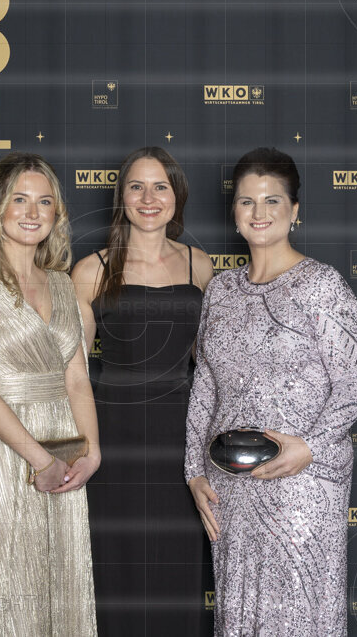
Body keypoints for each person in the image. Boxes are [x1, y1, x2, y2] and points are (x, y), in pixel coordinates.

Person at [184, 147, 357, 636]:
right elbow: (205, 385)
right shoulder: (220, 290)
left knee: (297, 612)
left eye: (272, 200)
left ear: (295, 210)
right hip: (228, 485)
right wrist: (193, 471)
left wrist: (310, 447)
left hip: (301, 481)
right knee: (239, 609)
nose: (259, 212)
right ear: (234, 211)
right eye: (247, 201)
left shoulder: (322, 285)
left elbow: (355, 382)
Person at [0, 152, 100, 636]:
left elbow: (76, 377)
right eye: (20, 199)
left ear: (56, 214)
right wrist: (40, 460)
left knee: (58, 579)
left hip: (64, 452)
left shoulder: (63, 286)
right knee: (4, 584)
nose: (32, 212)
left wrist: (91, 451)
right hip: (3, 454)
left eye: (44, 202)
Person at [72, 146, 216, 635]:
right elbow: (73, 372)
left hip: (182, 439)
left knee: (177, 567)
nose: (149, 198)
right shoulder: (90, 270)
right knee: (116, 567)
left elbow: (210, 363)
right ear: (122, 197)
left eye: (160, 187)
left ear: (177, 196)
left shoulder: (201, 266)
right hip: (114, 437)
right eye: (137, 187)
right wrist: (84, 447)